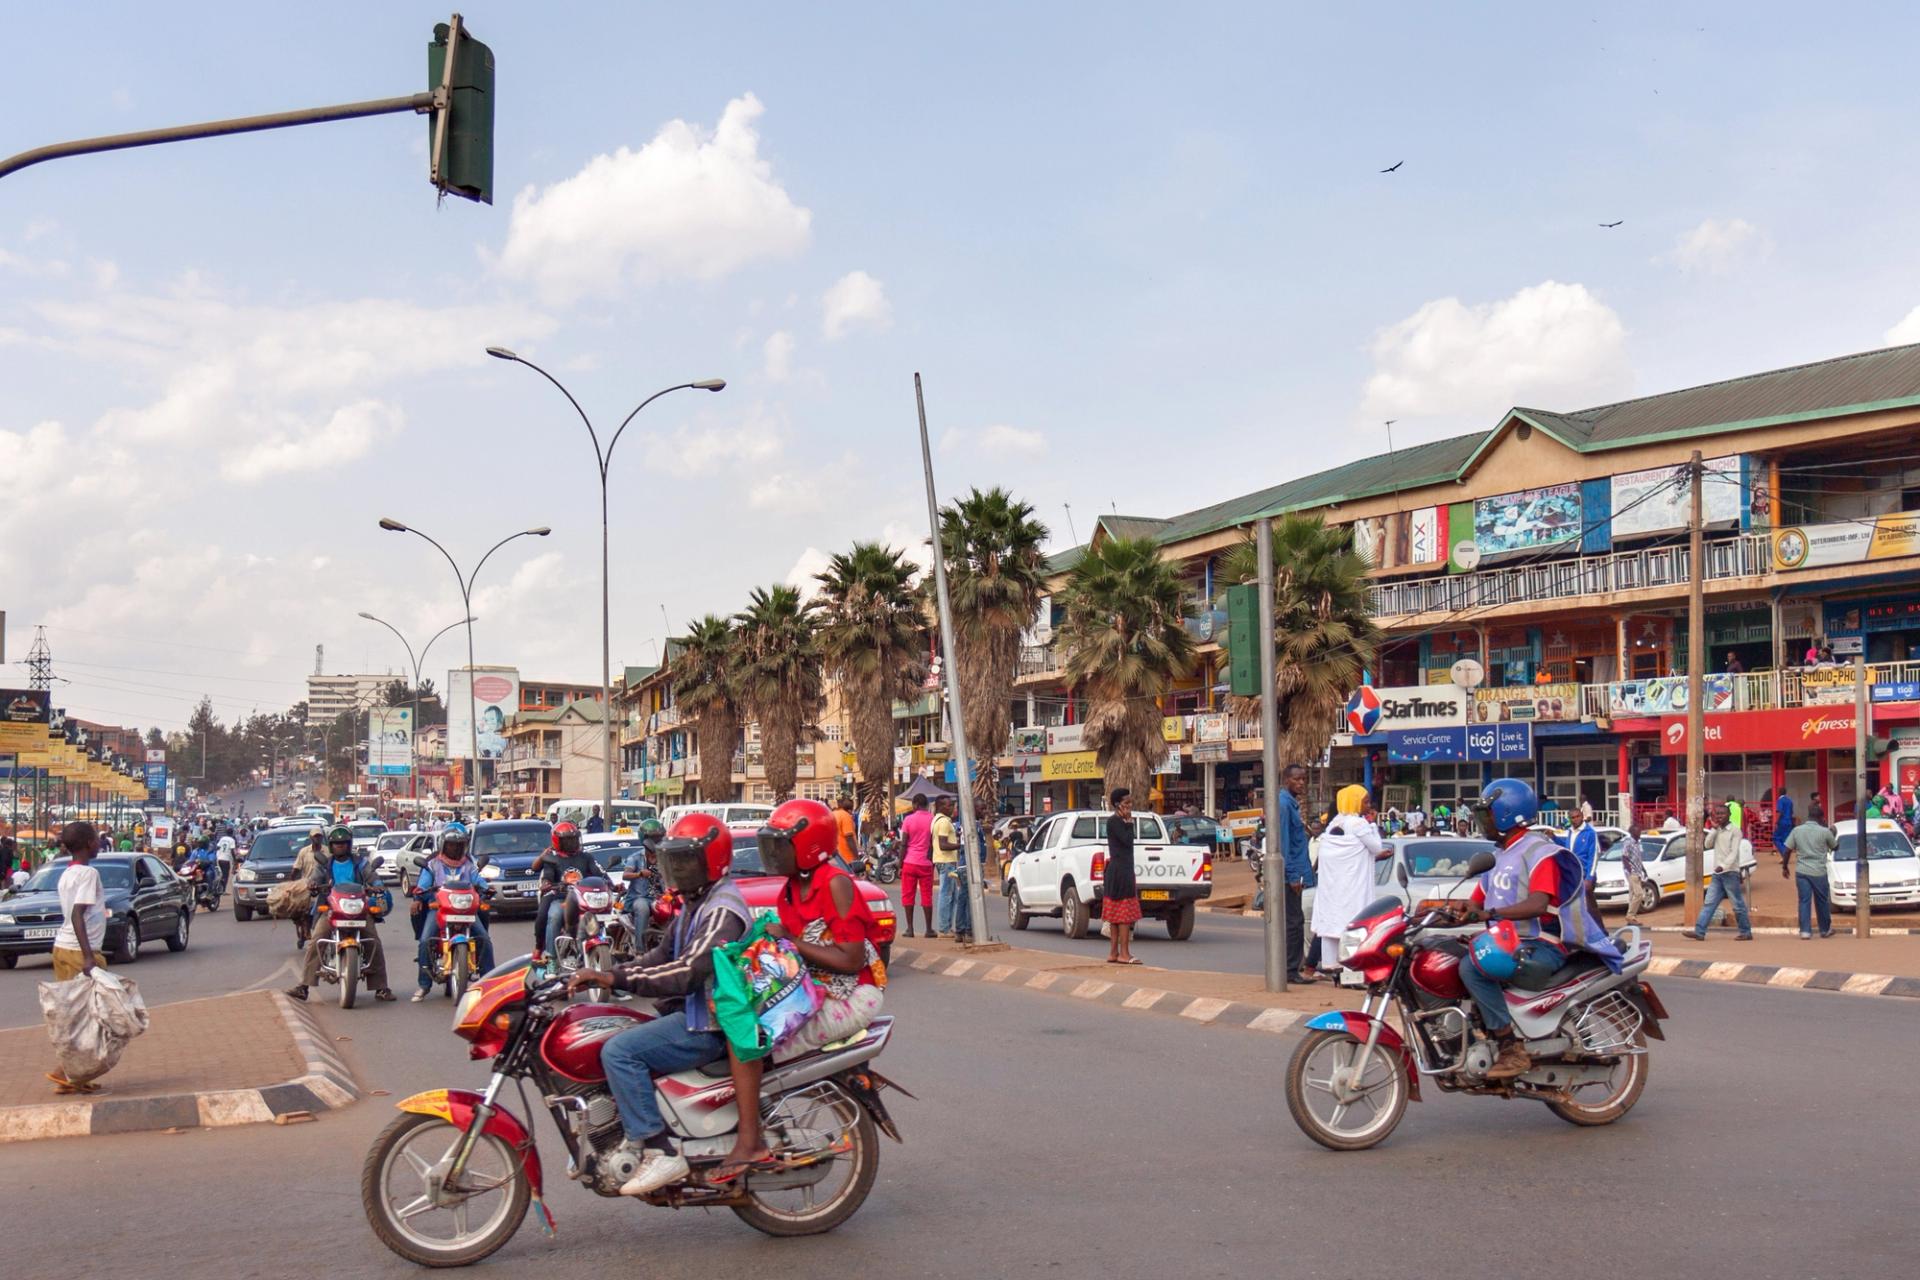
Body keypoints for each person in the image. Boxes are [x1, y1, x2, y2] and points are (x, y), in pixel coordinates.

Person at [567, 814, 752, 1196]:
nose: (676, 870)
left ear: (710, 863)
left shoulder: (722, 910)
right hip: (691, 1012)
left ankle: (657, 1148)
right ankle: (623, 1135)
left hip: (709, 1024)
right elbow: (658, 957)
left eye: (684, 861)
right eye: (673, 861)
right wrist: (608, 973)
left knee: (619, 1052)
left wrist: (617, 979)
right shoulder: (696, 903)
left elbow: (686, 972)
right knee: (609, 1029)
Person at [714, 798, 887, 1182]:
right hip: (814, 989)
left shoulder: (836, 884)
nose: (773, 854)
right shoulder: (791, 888)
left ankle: (750, 1140)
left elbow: (850, 959)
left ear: (808, 846)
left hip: (852, 994)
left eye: (781, 845)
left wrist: (791, 940)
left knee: (751, 1043)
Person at [1452, 779, 1623, 1080]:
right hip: (1510, 942)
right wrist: (1441, 912)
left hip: (1540, 945)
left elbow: (1538, 904)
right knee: (1448, 956)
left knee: (1472, 968)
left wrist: (1490, 913)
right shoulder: (1499, 856)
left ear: (1506, 814)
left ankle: (1510, 1048)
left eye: (1486, 815)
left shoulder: (1539, 852)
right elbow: (1475, 902)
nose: (1482, 822)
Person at [286, 826, 394, 1002]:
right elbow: (313, 879)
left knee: (373, 940)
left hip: (358, 909)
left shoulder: (361, 863)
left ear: (349, 844)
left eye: (343, 843)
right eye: (336, 844)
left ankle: (381, 988)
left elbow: (373, 877)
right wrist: (312, 885)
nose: (340, 847)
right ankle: (304, 986)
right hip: (332, 909)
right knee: (317, 939)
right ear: (331, 845)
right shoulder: (324, 865)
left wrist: (378, 885)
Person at [45, 822, 110, 1095]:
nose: (99, 843)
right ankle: (65, 1071)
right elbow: (76, 914)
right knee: (92, 1016)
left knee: (78, 1014)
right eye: (96, 839)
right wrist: (87, 957)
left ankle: (76, 1077)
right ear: (88, 844)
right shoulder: (88, 874)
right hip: (78, 951)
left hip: (63, 947)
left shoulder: (67, 873)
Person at [409, 823, 493, 1001]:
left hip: (467, 911)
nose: (455, 848)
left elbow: (479, 881)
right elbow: (423, 884)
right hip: (439, 909)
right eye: (451, 845)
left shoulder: (469, 865)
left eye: (459, 845)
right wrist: (419, 895)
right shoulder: (432, 864)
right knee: (425, 940)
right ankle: (424, 985)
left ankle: (489, 983)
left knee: (484, 939)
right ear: (443, 845)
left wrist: (487, 889)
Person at [1311, 786, 1388, 977]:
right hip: (1353, 886)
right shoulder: (1359, 824)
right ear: (1354, 801)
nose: (1369, 806)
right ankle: (1351, 972)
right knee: (1353, 924)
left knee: (1333, 924)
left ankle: (1332, 965)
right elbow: (1376, 847)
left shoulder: (1334, 823)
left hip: (1334, 886)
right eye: (1365, 801)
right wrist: (1372, 824)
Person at [533, 820, 603, 961]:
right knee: (554, 916)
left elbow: (598, 873)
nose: (572, 843)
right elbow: (547, 875)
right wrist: (547, 883)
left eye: (574, 839)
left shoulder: (586, 857)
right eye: (568, 840)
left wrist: (610, 884)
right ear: (557, 841)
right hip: (559, 898)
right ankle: (551, 958)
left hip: (583, 899)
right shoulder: (551, 858)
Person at [1683, 805, 1754, 941]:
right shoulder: (1717, 830)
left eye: (1722, 813)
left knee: (1737, 904)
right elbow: (1707, 844)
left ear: (1729, 815)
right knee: (1709, 903)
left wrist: (1723, 866)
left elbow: (1733, 852)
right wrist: (1714, 829)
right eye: (1717, 814)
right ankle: (1699, 931)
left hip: (1730, 873)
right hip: (1718, 875)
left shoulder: (1735, 831)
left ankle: (1746, 932)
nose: (1719, 816)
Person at [1277, 763, 1317, 984]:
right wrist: (1292, 876)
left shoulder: (1291, 804)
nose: (1301, 783)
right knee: (1294, 922)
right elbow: (1284, 844)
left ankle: (1291, 968)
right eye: (1297, 779)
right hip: (1289, 875)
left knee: (1296, 920)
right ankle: (1290, 970)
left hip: (1297, 872)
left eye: (1303, 779)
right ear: (1286, 780)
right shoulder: (1283, 805)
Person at [1099, 787, 1142, 965]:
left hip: (1120, 870)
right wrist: (1130, 822)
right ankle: (1123, 953)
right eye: (1126, 803)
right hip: (1120, 871)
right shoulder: (1115, 822)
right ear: (1118, 805)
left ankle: (1114, 953)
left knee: (1117, 915)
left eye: (1130, 803)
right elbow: (1127, 840)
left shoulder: (1117, 822)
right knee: (1123, 916)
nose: (1129, 806)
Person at [1784, 804, 1838, 939]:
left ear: (1808, 816)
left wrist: (1785, 866)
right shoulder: (1825, 832)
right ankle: (1825, 930)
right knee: (1822, 901)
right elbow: (1835, 847)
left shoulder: (1797, 830)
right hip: (1819, 872)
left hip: (1802, 871)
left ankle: (1805, 931)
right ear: (1821, 818)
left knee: (1804, 901)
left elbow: (1787, 850)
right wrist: (1832, 832)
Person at [897, 794, 936, 938]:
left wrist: (900, 865)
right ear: (926, 805)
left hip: (909, 862)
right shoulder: (932, 820)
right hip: (926, 863)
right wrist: (931, 861)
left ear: (915, 805)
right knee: (927, 895)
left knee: (908, 895)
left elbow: (903, 844)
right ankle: (929, 929)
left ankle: (910, 929)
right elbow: (933, 843)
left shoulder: (908, 820)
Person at [623, 818, 667, 926]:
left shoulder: (666, 858)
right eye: (654, 838)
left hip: (662, 898)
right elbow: (625, 875)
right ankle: (640, 943)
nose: (657, 841)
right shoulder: (636, 858)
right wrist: (640, 874)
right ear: (644, 839)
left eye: (659, 837)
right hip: (640, 898)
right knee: (642, 908)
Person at [931, 795, 964, 939]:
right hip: (946, 861)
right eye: (949, 805)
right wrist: (961, 845)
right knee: (947, 895)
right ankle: (944, 929)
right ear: (941, 807)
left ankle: (948, 927)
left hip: (943, 861)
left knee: (952, 895)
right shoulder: (944, 821)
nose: (952, 808)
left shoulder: (937, 820)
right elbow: (943, 845)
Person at [1568, 806, 1599, 885]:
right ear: (1570, 819)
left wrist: (1589, 877)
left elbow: (1594, 856)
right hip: (1572, 874)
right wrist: (1554, 838)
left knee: (1587, 896)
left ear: (1582, 816)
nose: (1576, 819)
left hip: (1585, 875)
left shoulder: (1590, 833)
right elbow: (1565, 848)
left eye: (1578, 816)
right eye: (1573, 817)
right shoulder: (1570, 832)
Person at [832, 795, 859, 868]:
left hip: (837, 858)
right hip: (847, 858)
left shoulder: (834, 814)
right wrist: (857, 857)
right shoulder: (845, 816)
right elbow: (849, 838)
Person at [1771, 793, 1797, 869]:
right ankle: (1785, 855)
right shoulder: (1790, 801)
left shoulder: (1780, 800)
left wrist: (1776, 821)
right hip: (1789, 822)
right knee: (1786, 840)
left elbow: (1780, 811)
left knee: (1776, 838)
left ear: (1779, 792)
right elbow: (1792, 812)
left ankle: (1784, 854)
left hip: (1782, 822)